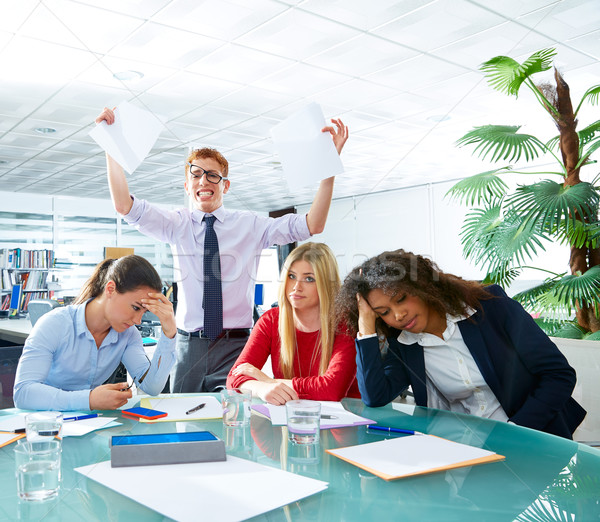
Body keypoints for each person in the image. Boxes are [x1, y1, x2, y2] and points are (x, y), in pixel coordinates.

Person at [95, 107, 348, 394]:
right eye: (196, 175)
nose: (204, 181)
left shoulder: (250, 226)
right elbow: (124, 206)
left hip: (236, 347)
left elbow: (313, 223)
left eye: (212, 176)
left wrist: (329, 167)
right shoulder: (176, 224)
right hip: (189, 345)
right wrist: (111, 147)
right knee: (184, 423)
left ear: (225, 185)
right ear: (187, 186)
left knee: (233, 424)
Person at [335, 249, 586, 439]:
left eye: (401, 299)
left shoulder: (491, 307)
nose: (398, 315)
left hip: (533, 440)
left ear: (422, 286)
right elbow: (375, 397)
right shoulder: (404, 343)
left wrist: (515, 433)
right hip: (464, 449)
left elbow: (558, 375)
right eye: (384, 312)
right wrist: (366, 327)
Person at [14, 255, 176, 411]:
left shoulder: (128, 335)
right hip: (47, 425)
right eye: (135, 308)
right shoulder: (54, 324)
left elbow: (151, 386)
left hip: (92, 423)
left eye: (144, 311)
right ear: (110, 289)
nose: (138, 320)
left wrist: (169, 333)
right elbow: (23, 393)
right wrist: (89, 399)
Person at [227, 242, 360, 404]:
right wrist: (261, 389)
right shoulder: (270, 320)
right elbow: (234, 378)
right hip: (293, 416)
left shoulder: (345, 325)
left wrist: (268, 381)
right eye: (291, 276)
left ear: (326, 284)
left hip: (345, 420)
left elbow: (332, 389)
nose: (296, 287)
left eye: (309, 279)